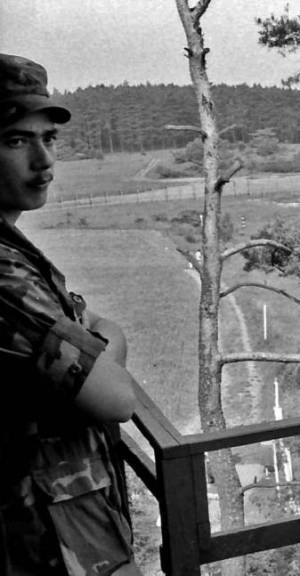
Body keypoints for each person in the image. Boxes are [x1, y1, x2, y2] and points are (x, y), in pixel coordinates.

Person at [0, 54, 141, 575]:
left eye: (49, 138)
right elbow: (117, 397)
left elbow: (89, 331)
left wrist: (93, 344)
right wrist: (103, 342)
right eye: (16, 140)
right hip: (48, 540)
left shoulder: (15, 252)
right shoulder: (6, 276)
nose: (43, 161)